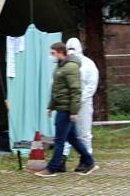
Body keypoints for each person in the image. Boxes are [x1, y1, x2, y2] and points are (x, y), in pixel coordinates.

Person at [36, 42, 98, 177]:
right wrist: (51, 106)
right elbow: (56, 89)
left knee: (59, 140)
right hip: (62, 107)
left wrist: (74, 111)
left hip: (66, 109)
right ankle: (89, 161)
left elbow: (75, 90)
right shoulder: (60, 66)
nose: (51, 56)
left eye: (52, 53)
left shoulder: (70, 67)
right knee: (73, 139)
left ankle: (52, 168)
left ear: (59, 52)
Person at [63, 37, 99, 157]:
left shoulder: (88, 64)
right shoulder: (64, 63)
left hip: (83, 104)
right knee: (66, 132)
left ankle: (87, 157)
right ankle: (63, 156)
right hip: (68, 103)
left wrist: (79, 99)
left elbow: (91, 85)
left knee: (84, 132)